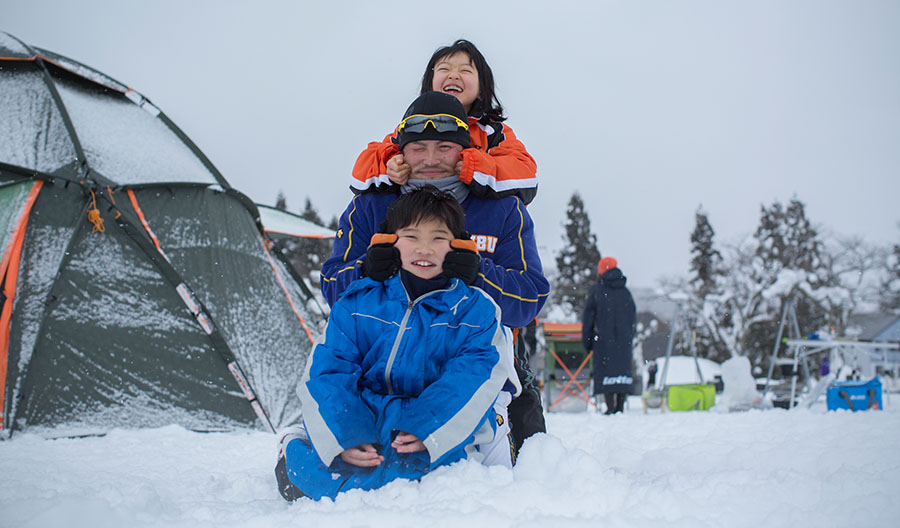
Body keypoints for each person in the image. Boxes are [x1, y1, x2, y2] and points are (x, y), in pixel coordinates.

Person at [320, 91, 549, 455]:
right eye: (418, 148)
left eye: (443, 147)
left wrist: (478, 273)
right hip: (377, 387)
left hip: (470, 389)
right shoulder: (370, 206)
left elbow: (529, 301)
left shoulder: (502, 210)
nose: (430, 159)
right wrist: (366, 270)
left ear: (463, 151)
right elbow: (332, 286)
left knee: (477, 491)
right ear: (400, 152)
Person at [276, 188, 513, 501]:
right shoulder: (357, 302)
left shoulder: (475, 310)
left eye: (438, 238)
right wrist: (347, 434)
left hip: (433, 419)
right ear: (389, 241)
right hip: (366, 416)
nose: (424, 250)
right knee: (321, 478)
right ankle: (295, 446)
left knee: (436, 488)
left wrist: (426, 427)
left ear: (457, 246)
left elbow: (470, 378)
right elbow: (328, 371)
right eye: (411, 237)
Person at [350, 39, 538, 205]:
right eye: (444, 69)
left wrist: (475, 168)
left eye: (465, 70)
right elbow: (361, 172)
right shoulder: (412, 128)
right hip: (418, 225)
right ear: (430, 83)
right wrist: (390, 165)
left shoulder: (492, 132)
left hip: (476, 225)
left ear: (482, 88)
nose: (453, 75)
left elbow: (526, 176)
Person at [582, 257, 636, 415]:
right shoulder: (626, 292)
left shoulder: (597, 291)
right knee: (621, 370)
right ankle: (620, 406)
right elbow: (633, 317)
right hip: (624, 341)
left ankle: (610, 406)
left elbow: (588, 318)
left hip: (603, 341)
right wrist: (629, 336)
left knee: (607, 370)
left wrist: (588, 341)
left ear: (601, 270)